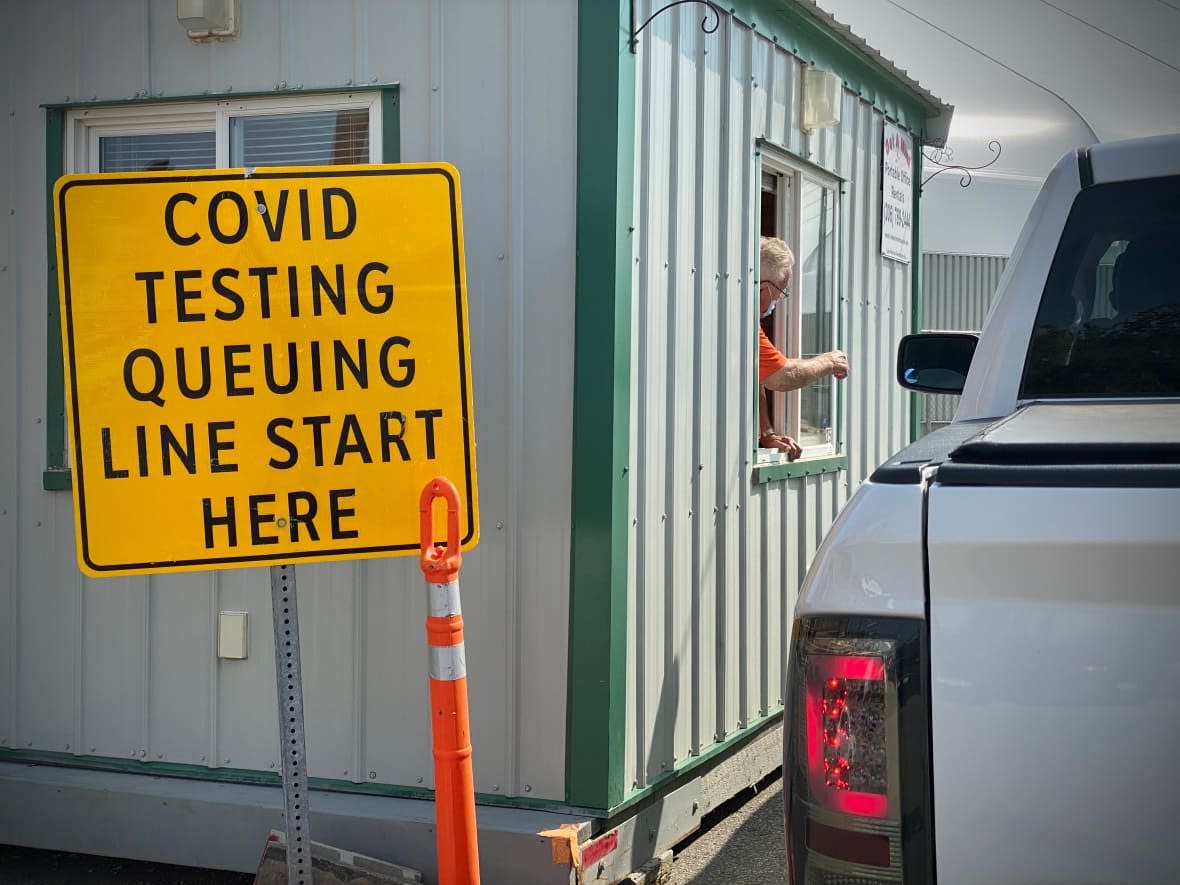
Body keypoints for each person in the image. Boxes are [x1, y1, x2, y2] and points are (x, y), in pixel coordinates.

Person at [756, 236, 849, 460]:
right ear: (766, 288)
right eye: (781, 292)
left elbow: (757, 375)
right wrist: (829, 361)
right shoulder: (742, 322)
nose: (778, 300)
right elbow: (781, 376)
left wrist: (766, 433)